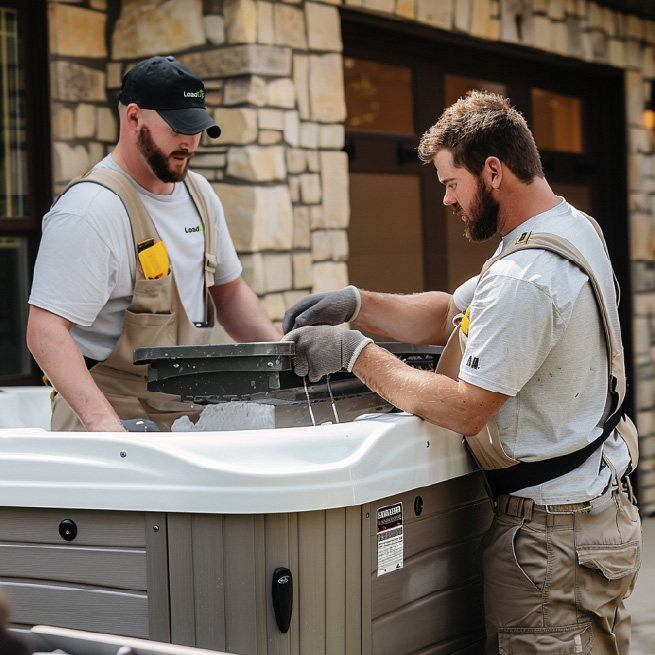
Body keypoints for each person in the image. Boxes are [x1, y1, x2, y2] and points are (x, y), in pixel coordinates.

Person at [283, 91, 641, 654]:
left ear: (493, 171)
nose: (447, 200)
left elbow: (465, 408)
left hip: (552, 541)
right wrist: (355, 303)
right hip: (594, 514)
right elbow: (454, 312)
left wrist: (354, 353)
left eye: (452, 184)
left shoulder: (526, 275)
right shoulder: (572, 229)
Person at [26, 56, 279, 432]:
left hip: (184, 420)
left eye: (197, 128)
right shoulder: (91, 211)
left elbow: (228, 294)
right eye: (177, 127)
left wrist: (284, 357)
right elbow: (44, 330)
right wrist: (106, 427)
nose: (189, 143)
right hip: (105, 424)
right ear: (133, 117)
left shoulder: (200, 196)